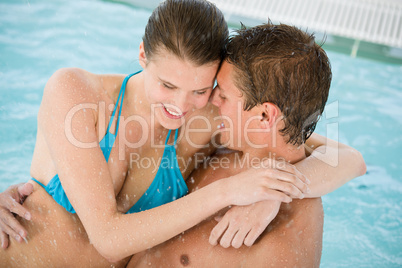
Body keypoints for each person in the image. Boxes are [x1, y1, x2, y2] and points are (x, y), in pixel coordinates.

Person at [0, 0, 365, 266]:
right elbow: (109, 239)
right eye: (167, 84)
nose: (180, 105)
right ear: (142, 55)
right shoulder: (78, 94)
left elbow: (344, 157)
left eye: (203, 89)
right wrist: (235, 189)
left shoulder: (206, 117)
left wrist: (273, 190)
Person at [127, 22, 366, 267]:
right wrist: (275, 190)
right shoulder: (228, 143)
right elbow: (349, 157)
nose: (210, 99)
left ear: (264, 116)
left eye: (224, 95)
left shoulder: (284, 241)